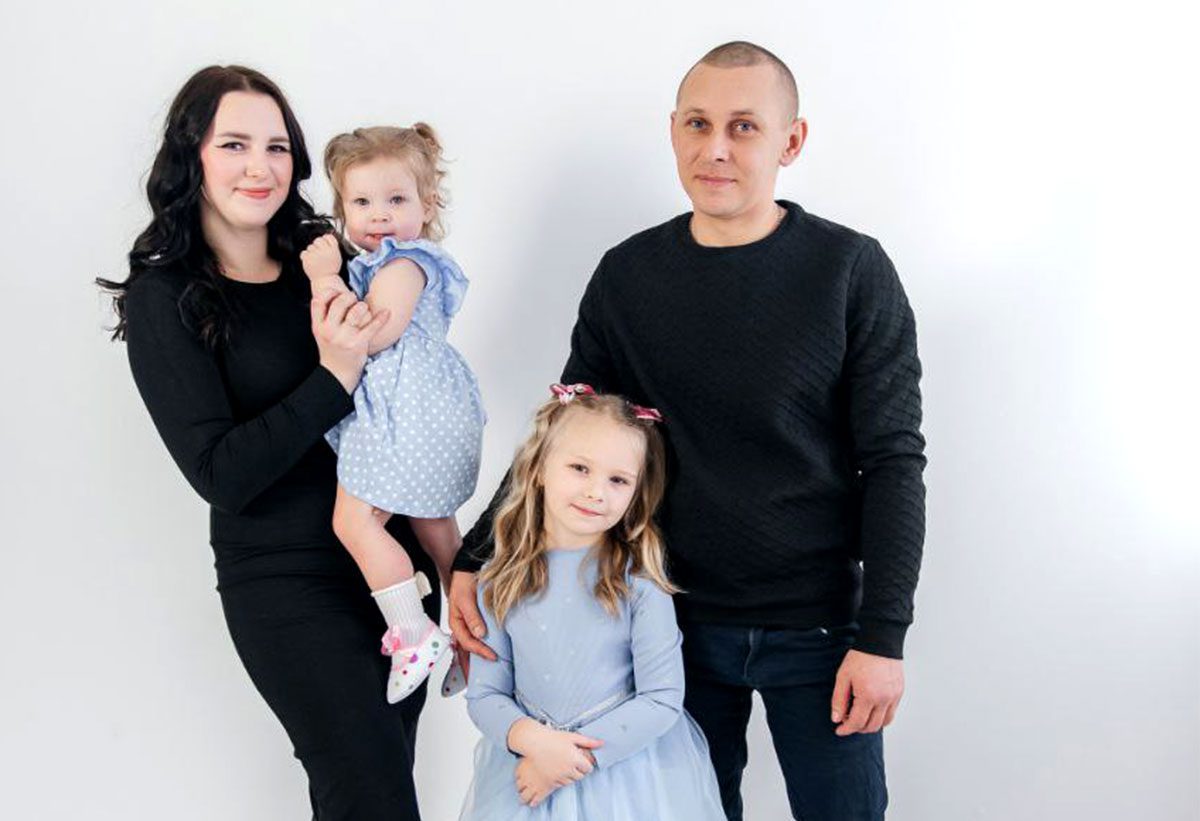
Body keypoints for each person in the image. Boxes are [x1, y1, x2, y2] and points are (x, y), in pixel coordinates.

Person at [449, 41, 926, 821]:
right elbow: (565, 435)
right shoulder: (629, 275)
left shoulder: (850, 270)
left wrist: (883, 637)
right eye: (698, 124)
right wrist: (476, 555)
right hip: (669, 623)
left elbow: (894, 462)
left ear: (791, 141)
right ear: (673, 130)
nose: (716, 148)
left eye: (744, 127)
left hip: (820, 627)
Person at [98, 66, 436, 819]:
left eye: (277, 147)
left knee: (378, 790)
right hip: (286, 583)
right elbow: (222, 474)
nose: (260, 167)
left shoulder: (328, 260)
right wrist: (336, 372)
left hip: (392, 568)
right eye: (235, 144)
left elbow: (408, 394)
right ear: (192, 156)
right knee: (371, 792)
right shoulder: (166, 297)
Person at [459, 385, 725, 820]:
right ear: (538, 467)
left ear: (637, 491)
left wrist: (572, 761)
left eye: (618, 480)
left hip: (626, 775)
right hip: (530, 771)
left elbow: (662, 698)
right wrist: (536, 744)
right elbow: (485, 695)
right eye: (580, 468)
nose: (596, 492)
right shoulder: (498, 581)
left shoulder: (639, 583)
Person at [300, 124, 485, 702]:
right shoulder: (385, 262)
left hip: (410, 415)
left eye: (396, 199)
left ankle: (413, 634)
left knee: (353, 522)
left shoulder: (404, 263)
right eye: (361, 202)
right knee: (436, 531)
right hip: (426, 410)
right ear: (343, 211)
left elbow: (372, 334)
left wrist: (324, 279)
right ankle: (476, 643)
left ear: (428, 207)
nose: (378, 214)